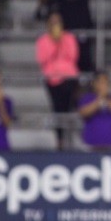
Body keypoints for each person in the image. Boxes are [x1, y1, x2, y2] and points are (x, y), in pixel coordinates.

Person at [35, 12, 80, 149]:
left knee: (67, 108)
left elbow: (72, 57)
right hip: (52, 79)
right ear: (48, 24)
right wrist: (54, 43)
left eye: (58, 22)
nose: (56, 25)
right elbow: (42, 60)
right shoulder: (42, 41)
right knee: (57, 109)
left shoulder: (70, 38)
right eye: (53, 22)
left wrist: (61, 41)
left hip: (69, 77)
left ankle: (69, 137)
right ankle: (60, 140)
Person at [77, 71, 111, 151]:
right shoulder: (87, 98)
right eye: (102, 82)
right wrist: (100, 98)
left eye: (107, 82)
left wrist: (107, 98)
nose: (105, 85)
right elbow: (84, 113)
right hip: (91, 145)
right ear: (94, 83)